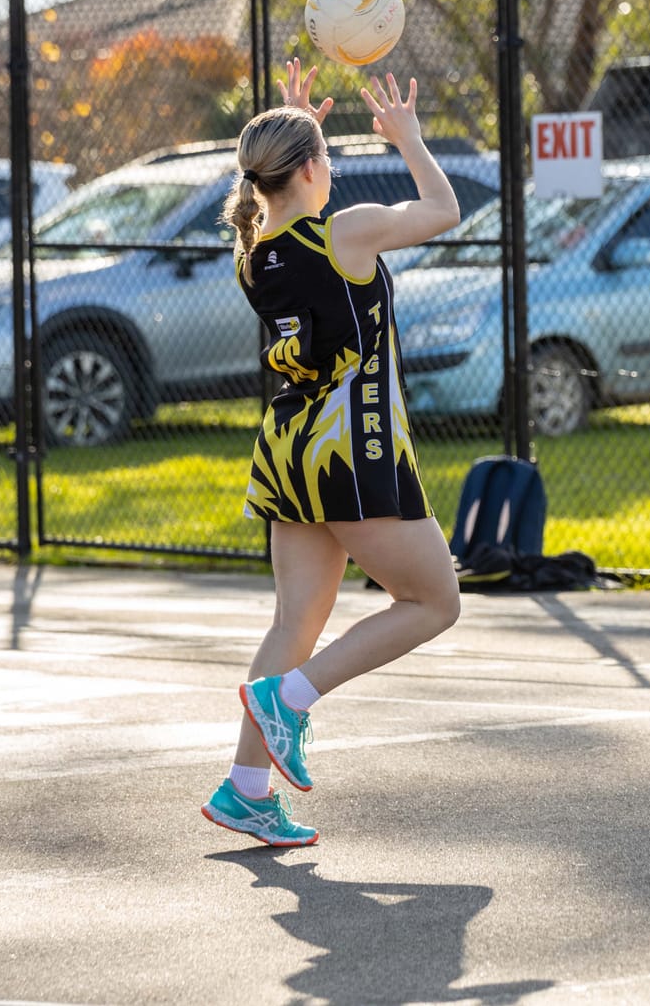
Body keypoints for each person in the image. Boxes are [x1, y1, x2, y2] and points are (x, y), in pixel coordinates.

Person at [201, 63, 463, 847]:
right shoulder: (343, 232)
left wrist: (293, 125)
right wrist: (408, 138)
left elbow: (284, 199)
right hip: (349, 445)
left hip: (288, 444)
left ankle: (246, 789)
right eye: (325, 158)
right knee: (434, 601)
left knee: (295, 621)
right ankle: (293, 699)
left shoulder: (256, 247)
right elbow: (444, 209)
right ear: (313, 167)